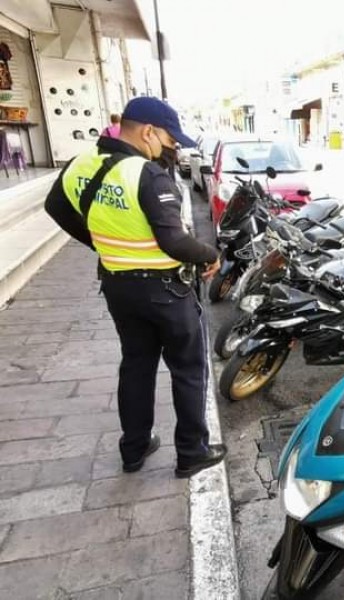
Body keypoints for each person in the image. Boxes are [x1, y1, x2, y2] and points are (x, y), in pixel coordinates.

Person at [44, 97, 227, 479]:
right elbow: (173, 242)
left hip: (118, 287)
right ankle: (192, 452)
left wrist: (101, 242)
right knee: (189, 370)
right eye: (168, 141)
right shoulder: (145, 173)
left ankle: (135, 447)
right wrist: (210, 253)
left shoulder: (83, 164)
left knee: (137, 366)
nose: (170, 148)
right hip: (165, 292)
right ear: (148, 132)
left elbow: (56, 207)